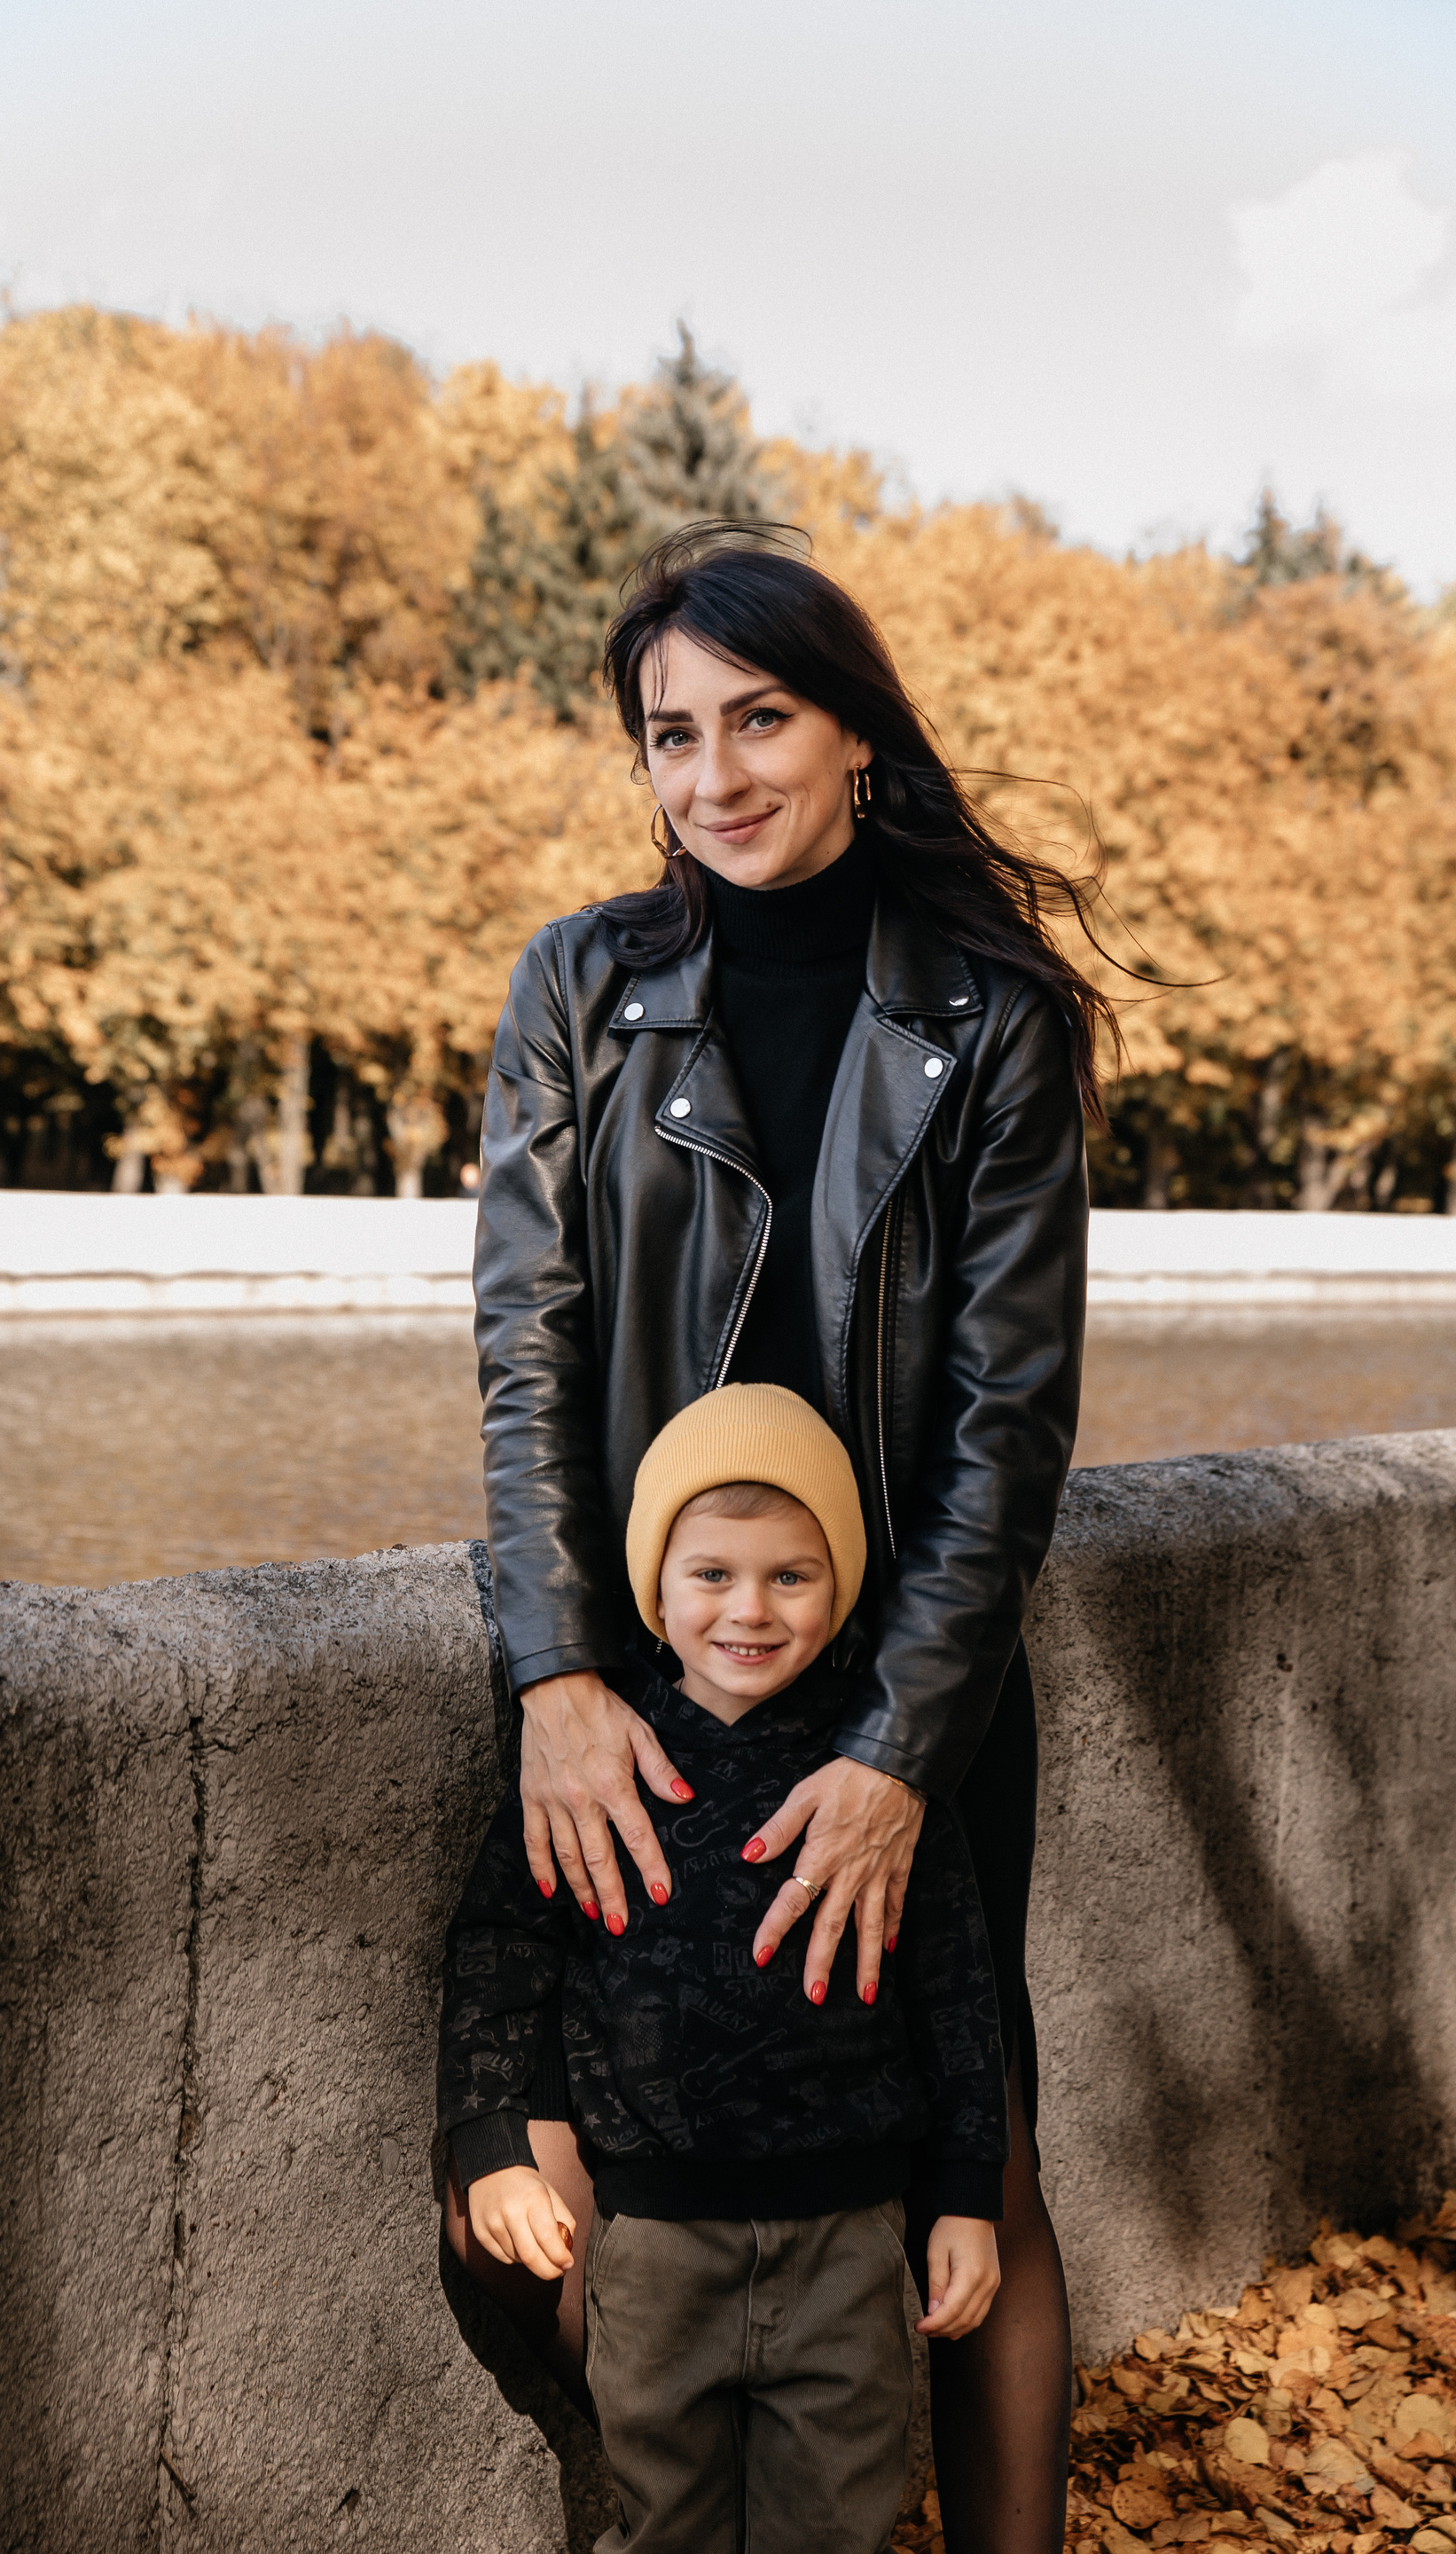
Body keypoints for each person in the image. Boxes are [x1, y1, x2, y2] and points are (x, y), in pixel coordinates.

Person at [452, 522, 1108, 2554]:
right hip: (657, 1672)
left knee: (972, 2154)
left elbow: (1010, 1419)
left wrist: (902, 1750)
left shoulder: (993, 1011)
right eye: (672, 735)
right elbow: (527, 1356)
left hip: (916, 1675)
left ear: (856, 737)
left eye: (760, 720)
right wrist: (561, 1675)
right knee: (553, 2171)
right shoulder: (584, 987)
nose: (715, 774)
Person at [440, 1385, 1009, 2554]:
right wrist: (493, 2149)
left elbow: (958, 1997)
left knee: (835, 2525)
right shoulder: (597, 1768)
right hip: (654, 2247)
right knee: (669, 2523)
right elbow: (499, 1952)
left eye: (790, 1575)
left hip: (847, 2244)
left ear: (840, 1588)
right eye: (711, 1574)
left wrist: (965, 2197)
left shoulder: (879, 1787)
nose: (749, 1609)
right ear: (653, 1591)